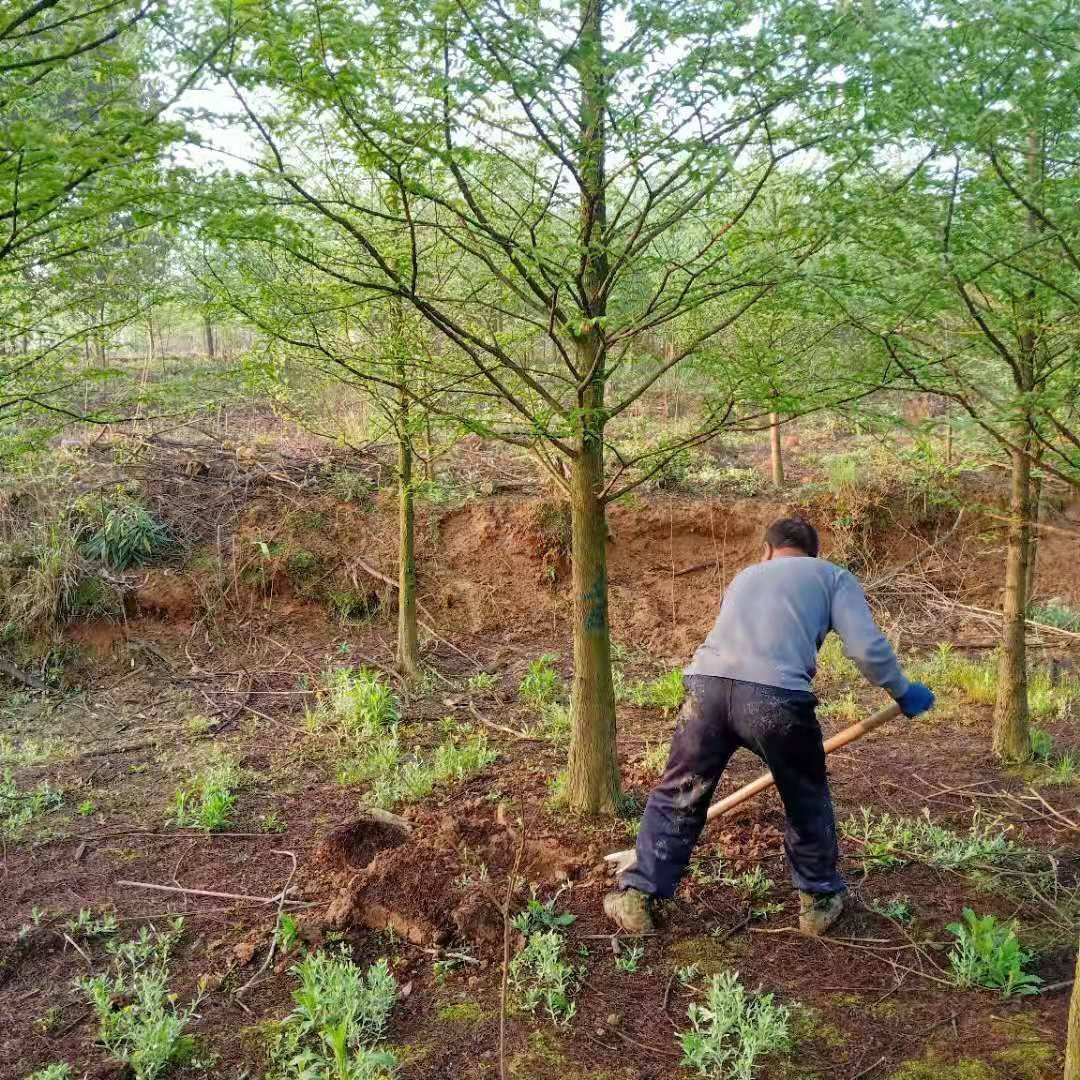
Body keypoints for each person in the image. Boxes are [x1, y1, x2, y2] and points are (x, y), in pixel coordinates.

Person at [604, 516, 934, 936]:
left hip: (705, 689)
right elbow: (866, 647)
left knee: (680, 792)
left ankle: (638, 896)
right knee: (804, 794)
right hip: (774, 699)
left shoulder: (747, 576)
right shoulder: (831, 577)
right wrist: (902, 690)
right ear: (813, 554)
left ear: (767, 550)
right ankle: (817, 900)